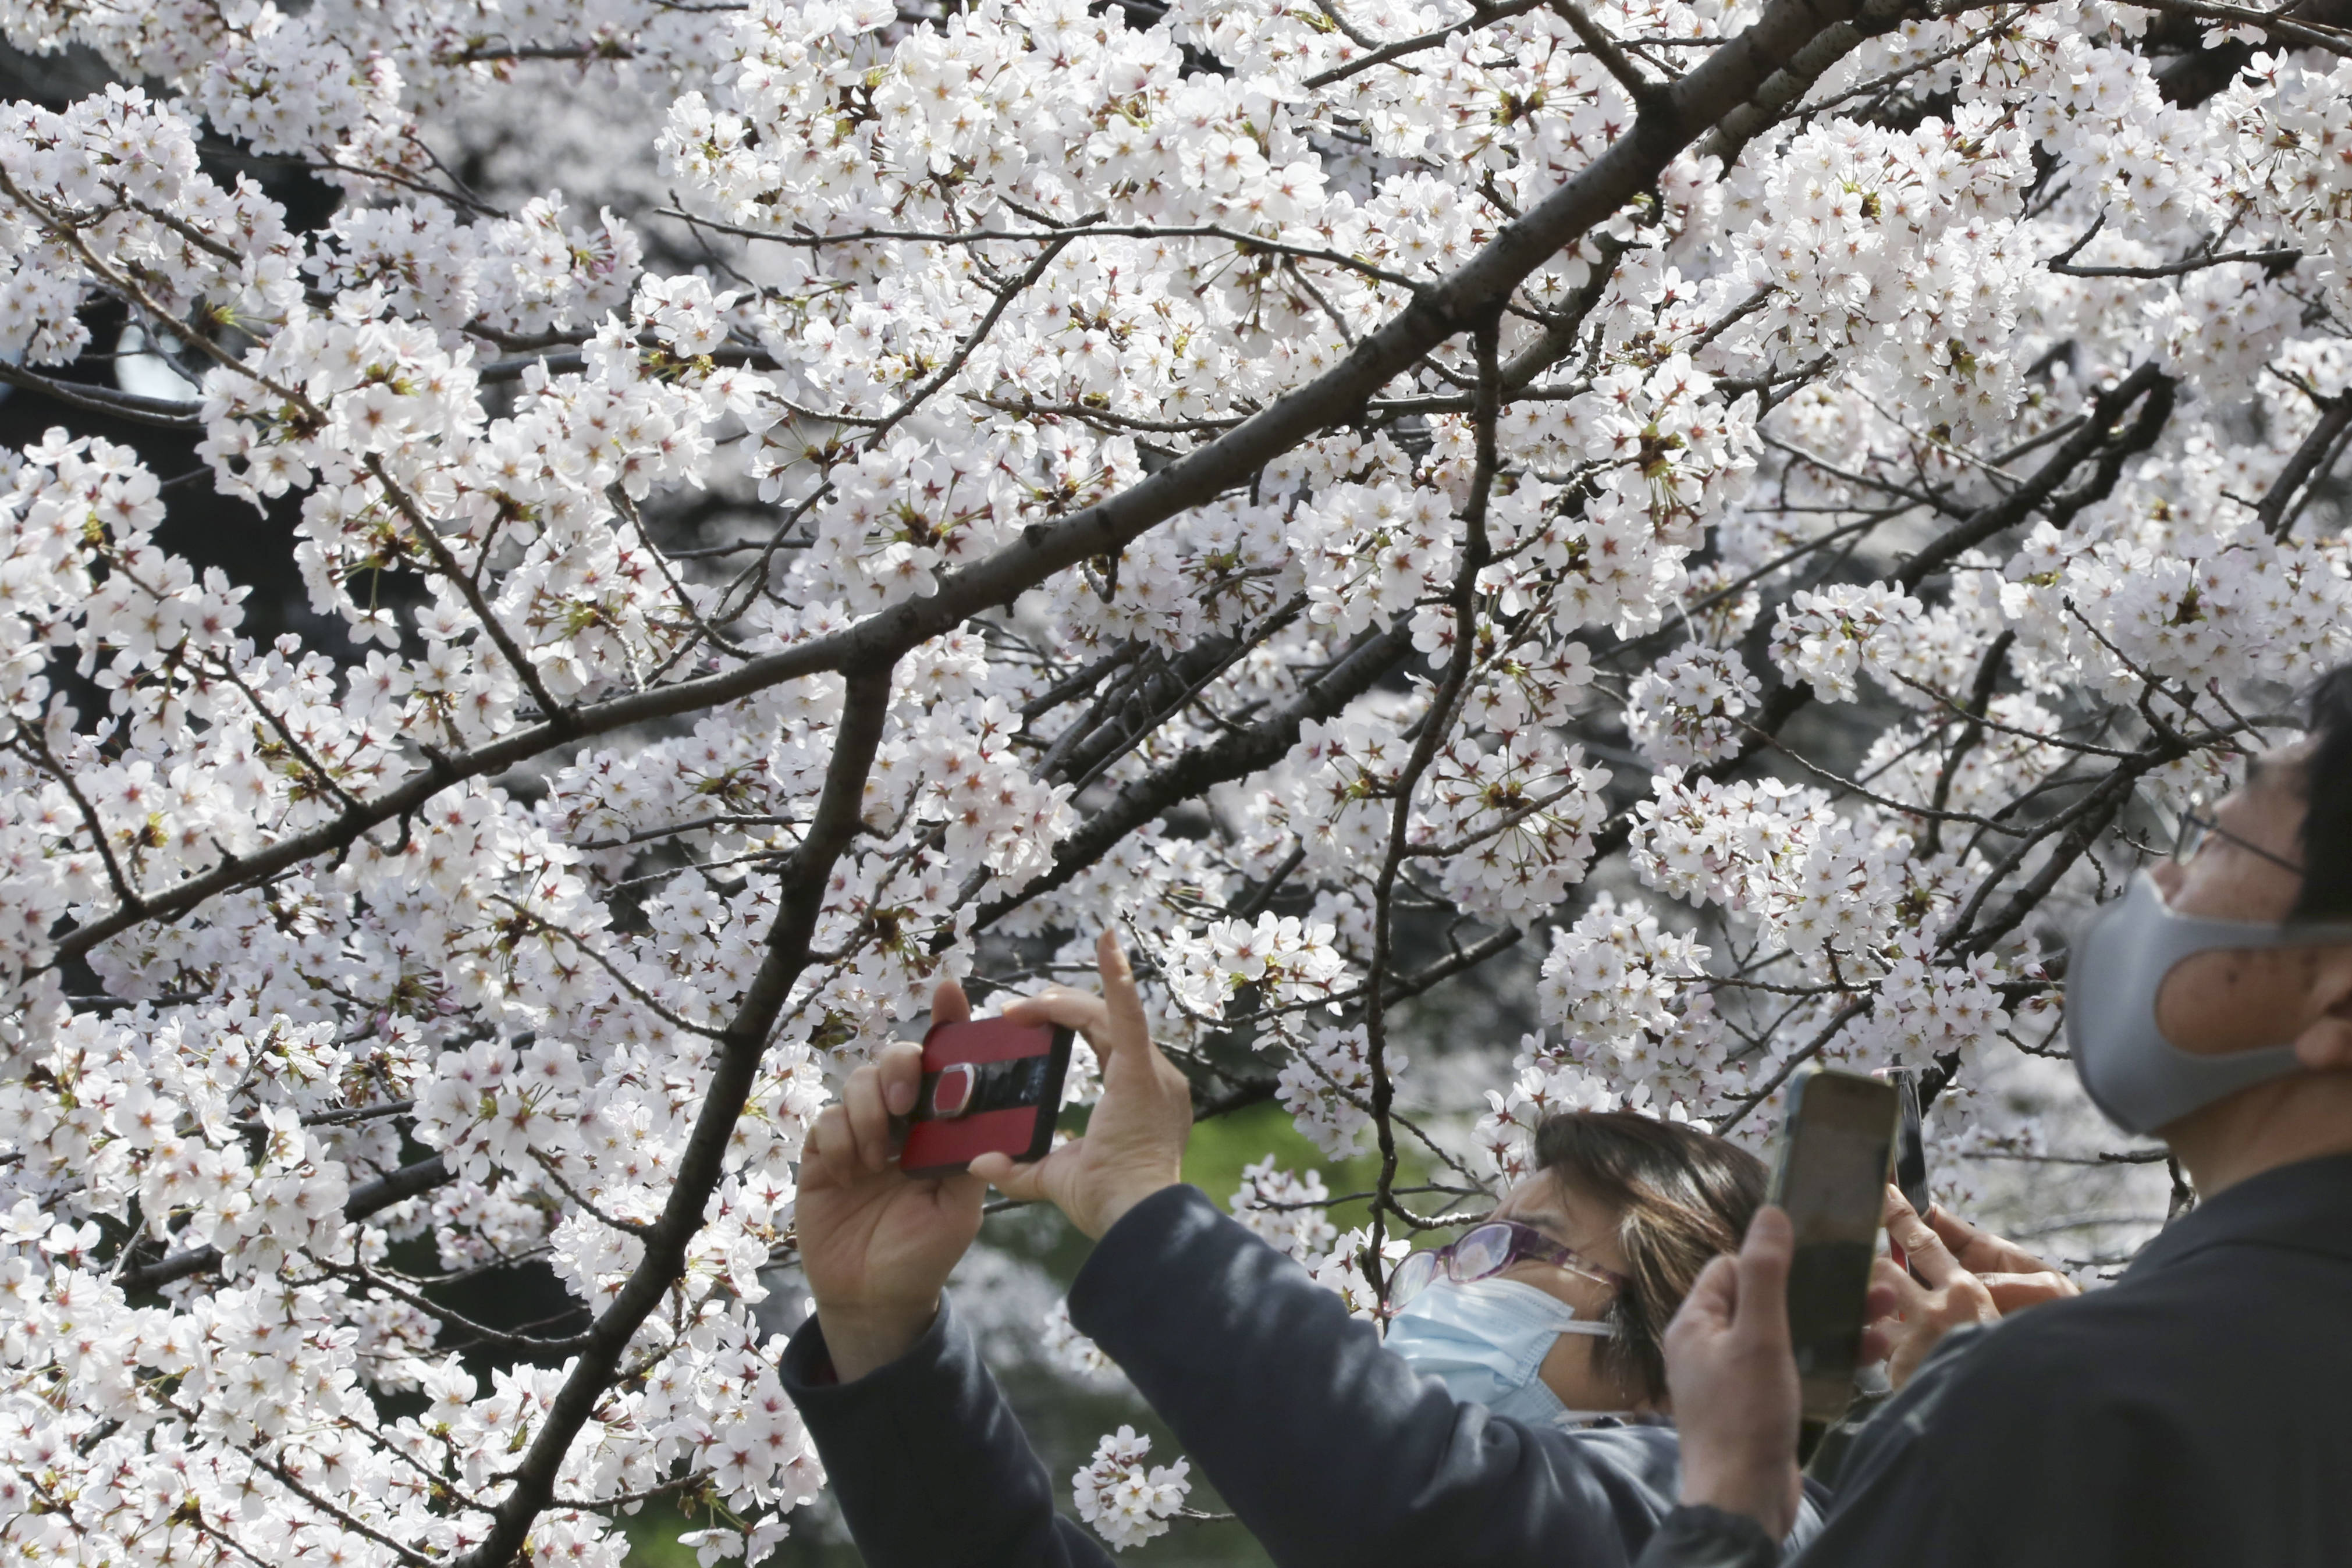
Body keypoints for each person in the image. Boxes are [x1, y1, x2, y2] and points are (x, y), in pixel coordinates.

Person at [782, 933, 1828, 1568]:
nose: (1461, 1274)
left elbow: (1421, 1515)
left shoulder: (1736, 1521)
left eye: (1529, 1244)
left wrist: (1145, 1206)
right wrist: (878, 1325)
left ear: (1699, 1348)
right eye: (1466, 1242)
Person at [1639, 667, 2352, 1568]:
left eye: (2210, 839)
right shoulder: (2123, 1386)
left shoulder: (2066, 1405)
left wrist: (1729, 1493)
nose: (2159, 876)